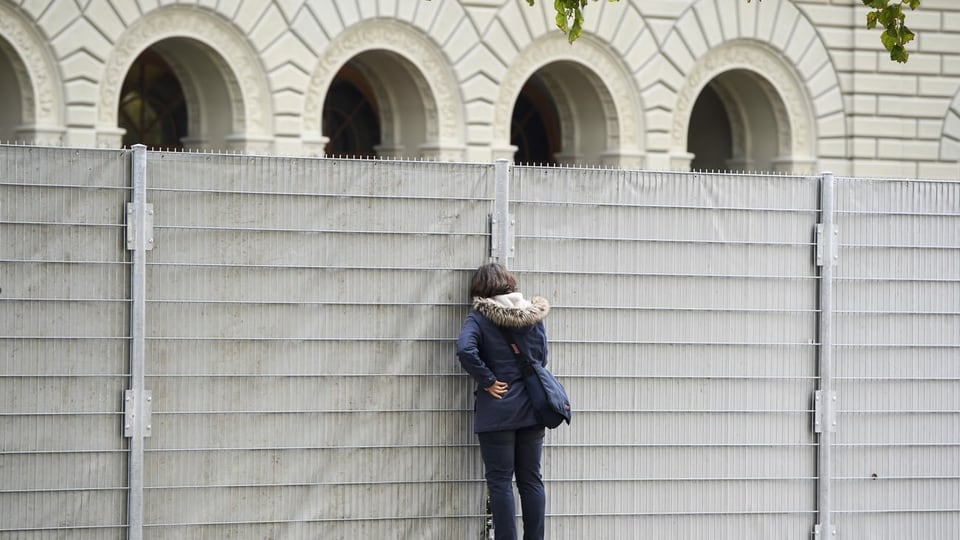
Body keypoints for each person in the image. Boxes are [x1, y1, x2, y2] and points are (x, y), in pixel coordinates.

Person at [456, 262, 552, 540]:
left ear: (480, 289)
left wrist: (487, 380)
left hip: (498, 411)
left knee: (500, 482)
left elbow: (465, 349)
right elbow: (541, 359)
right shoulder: (533, 315)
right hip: (533, 408)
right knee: (531, 479)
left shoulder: (480, 317)